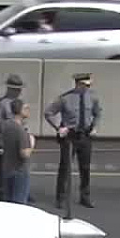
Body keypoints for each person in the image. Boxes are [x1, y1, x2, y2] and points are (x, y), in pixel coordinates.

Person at [43, 72, 101, 209]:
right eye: (85, 85)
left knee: (85, 168)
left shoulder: (93, 97)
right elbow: (48, 113)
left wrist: (95, 127)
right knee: (65, 167)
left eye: (89, 85)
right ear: (78, 84)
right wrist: (58, 128)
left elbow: (98, 113)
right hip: (70, 136)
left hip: (85, 136)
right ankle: (61, 198)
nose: (87, 88)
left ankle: (85, 196)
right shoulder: (65, 98)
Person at [0, 98, 34, 204]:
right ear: (20, 110)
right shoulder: (21, 131)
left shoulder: (5, 125)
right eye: (26, 108)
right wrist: (32, 143)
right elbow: (25, 153)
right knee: (19, 204)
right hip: (19, 171)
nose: (29, 110)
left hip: (6, 169)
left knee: (7, 203)